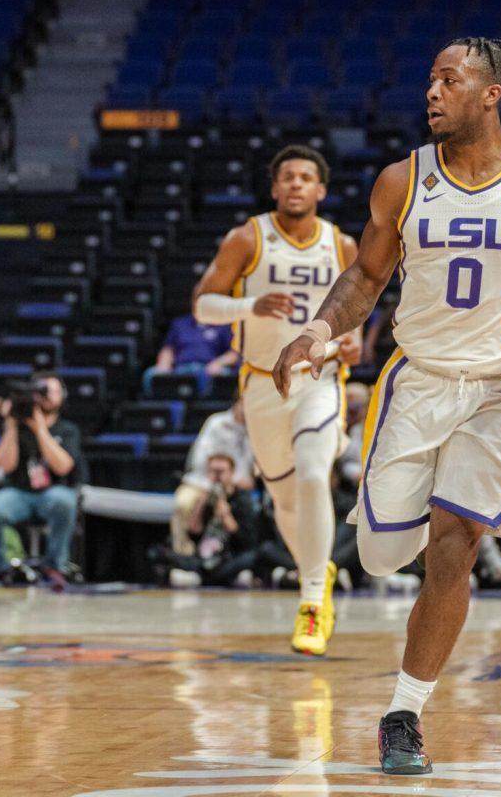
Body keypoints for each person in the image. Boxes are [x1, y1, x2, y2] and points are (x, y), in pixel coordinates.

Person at [271, 37, 501, 774]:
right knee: (379, 553)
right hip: (420, 378)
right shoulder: (402, 180)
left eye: (447, 80)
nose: (431, 92)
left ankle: (403, 714)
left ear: (490, 94)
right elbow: (365, 277)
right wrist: (314, 330)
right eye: (429, 80)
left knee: (455, 538)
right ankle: (405, 541)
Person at [192, 144, 361, 657]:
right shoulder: (248, 238)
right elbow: (202, 306)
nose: (295, 184)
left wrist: (347, 341)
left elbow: (356, 315)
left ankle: (311, 597)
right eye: (286, 177)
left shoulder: (341, 245)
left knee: (314, 472)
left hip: (318, 377)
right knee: (286, 501)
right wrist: (250, 304)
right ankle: (319, 567)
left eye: (305, 177)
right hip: (263, 382)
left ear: (320, 190)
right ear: (274, 188)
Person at [0, 372, 85, 591]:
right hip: (19, 492)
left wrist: (40, 429)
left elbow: (63, 467)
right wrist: (11, 425)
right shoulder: (17, 425)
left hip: (54, 490)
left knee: (64, 503)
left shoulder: (68, 429)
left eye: (51, 391)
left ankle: (55, 565)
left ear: (62, 396)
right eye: (42, 391)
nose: (47, 397)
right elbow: (5, 466)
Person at [171, 400, 256, 561]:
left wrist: (234, 481)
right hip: (202, 481)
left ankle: (242, 557)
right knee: (183, 502)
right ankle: (183, 555)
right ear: (237, 403)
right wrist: (215, 480)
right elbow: (199, 460)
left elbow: (251, 470)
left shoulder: (255, 428)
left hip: (235, 486)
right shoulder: (216, 423)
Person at [164, 453, 261, 589]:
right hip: (205, 558)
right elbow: (194, 534)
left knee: (254, 557)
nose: (216, 477)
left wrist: (226, 516)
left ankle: (207, 577)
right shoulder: (207, 498)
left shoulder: (242, 499)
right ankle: (208, 576)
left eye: (220, 472)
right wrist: (200, 505)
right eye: (212, 472)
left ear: (231, 473)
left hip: (230, 557)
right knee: (161, 554)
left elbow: (248, 542)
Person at [142, 314, 238, 397]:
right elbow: (168, 349)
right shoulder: (180, 324)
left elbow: (234, 353)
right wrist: (163, 365)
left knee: (226, 375)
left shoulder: (224, 325)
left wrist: (218, 363)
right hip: (179, 369)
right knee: (151, 374)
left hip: (208, 370)